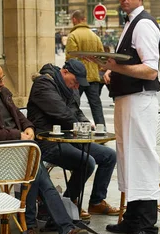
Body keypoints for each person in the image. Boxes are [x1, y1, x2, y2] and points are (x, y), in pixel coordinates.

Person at [0, 60, 89, 234]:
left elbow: (21, 118)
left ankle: (32, 227)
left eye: (2, 78)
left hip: (23, 149)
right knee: (36, 173)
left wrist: (29, 128)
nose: (2, 83)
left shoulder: (3, 94)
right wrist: (17, 135)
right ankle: (51, 229)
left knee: (36, 173)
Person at [101, 0, 160, 234]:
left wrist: (117, 68)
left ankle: (148, 228)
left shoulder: (144, 24)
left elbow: (150, 69)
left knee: (142, 159)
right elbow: (130, 64)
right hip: (128, 98)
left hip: (140, 100)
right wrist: (112, 74)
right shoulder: (130, 24)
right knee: (128, 158)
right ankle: (133, 219)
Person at [27, 59, 119, 218]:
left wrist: (85, 123)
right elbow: (61, 113)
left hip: (69, 137)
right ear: (64, 72)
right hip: (47, 141)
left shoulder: (70, 86)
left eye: (79, 84)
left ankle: (96, 202)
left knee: (109, 156)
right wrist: (80, 125)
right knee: (87, 162)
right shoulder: (44, 84)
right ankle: (68, 202)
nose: (77, 86)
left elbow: (76, 111)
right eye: (75, 82)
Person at [66, 10, 106, 126]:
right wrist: (96, 68)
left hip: (77, 78)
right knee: (96, 106)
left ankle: (70, 128)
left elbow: (70, 57)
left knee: (72, 104)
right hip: (93, 77)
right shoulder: (95, 36)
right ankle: (101, 130)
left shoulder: (73, 35)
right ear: (84, 19)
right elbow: (102, 56)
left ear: (74, 20)